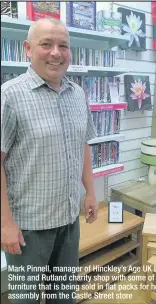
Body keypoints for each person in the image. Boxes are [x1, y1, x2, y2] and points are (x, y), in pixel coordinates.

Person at [1, 17, 98, 303]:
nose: (56, 52)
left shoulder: (78, 94)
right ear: (28, 49)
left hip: (69, 222)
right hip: (29, 228)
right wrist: (5, 224)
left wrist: (90, 192)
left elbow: (83, 144)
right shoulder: (9, 97)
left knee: (63, 297)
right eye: (46, 44)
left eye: (63, 46)